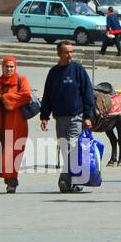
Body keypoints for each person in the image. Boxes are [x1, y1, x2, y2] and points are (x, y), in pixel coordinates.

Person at [39, 41, 95, 193]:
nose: (70, 55)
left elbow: (88, 94)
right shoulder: (54, 72)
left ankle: (65, 178)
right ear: (59, 54)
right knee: (65, 150)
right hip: (60, 119)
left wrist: (87, 116)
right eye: (66, 52)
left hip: (76, 118)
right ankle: (74, 181)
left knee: (72, 148)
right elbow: (48, 95)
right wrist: (44, 116)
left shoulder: (78, 70)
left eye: (71, 52)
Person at [0, 57, 31, 193]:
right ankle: (4, 176)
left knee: (13, 152)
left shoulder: (21, 80)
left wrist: (4, 98)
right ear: (2, 67)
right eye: (7, 66)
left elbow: (26, 95)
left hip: (16, 123)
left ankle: (12, 180)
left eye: (11, 67)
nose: (9, 69)